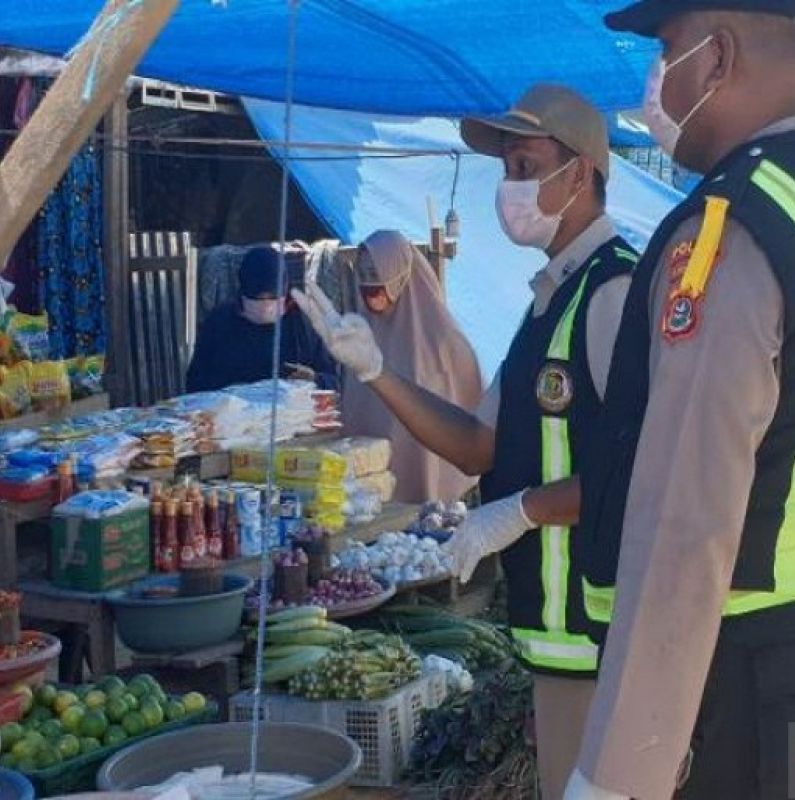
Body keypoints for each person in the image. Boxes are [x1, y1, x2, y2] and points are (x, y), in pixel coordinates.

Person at [564, 2, 795, 798]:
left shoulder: (732, 228)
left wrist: (619, 771)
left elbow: (687, 525)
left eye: (666, 51)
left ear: (715, 59)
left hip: (736, 685)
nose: (655, 81)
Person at [291, 84, 639, 800]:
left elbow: (642, 470)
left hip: (602, 634)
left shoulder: (613, 293)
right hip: (552, 635)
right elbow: (479, 446)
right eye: (505, 168)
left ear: (578, 173)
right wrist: (377, 370)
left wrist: (522, 511)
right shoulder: (547, 302)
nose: (508, 187)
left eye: (524, 165)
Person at [341, 230, 483, 503]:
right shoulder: (360, 335)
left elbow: (473, 416)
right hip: (367, 494)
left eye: (378, 273)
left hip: (434, 496)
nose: (371, 283)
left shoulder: (444, 340)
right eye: (365, 274)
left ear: (402, 274)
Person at [186, 246, 337, 392]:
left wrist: (315, 379)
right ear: (244, 291)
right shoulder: (219, 323)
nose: (265, 306)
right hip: (234, 414)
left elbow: (333, 382)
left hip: (292, 414)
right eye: (258, 298)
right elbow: (195, 383)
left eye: (273, 297)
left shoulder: (303, 323)